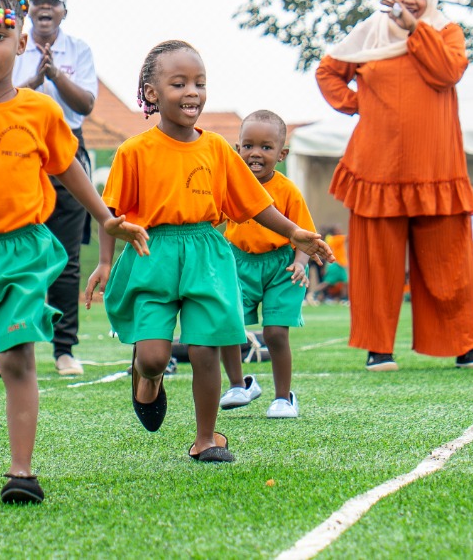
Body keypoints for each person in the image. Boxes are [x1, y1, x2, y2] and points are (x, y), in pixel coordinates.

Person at [0, 0, 147, 504]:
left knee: (18, 354)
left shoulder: (40, 112)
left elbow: (70, 171)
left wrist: (107, 219)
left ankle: (23, 471)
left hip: (21, 250)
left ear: (21, 42)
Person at [85, 40, 329, 465]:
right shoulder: (134, 151)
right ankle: (147, 379)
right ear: (151, 93)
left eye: (199, 82)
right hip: (152, 253)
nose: (192, 92)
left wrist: (295, 233)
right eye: (178, 83)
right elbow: (111, 213)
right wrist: (106, 262)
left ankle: (206, 439)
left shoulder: (217, 148)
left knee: (204, 349)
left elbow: (256, 205)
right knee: (154, 355)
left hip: (206, 254)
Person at [315, 0, 473, 371]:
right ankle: (379, 349)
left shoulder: (446, 31)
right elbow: (327, 72)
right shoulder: (369, 32)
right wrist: (359, 104)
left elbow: (448, 72)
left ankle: (464, 346)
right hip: (377, 166)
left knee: (449, 263)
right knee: (376, 265)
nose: (411, 0)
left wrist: (415, 28)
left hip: (437, 165)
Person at [13, 0, 99, 377]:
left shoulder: (78, 50)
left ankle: (64, 349)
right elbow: (5, 98)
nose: (44, 8)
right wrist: (34, 78)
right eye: (38, 3)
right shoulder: (15, 44)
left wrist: (56, 77)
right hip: (21, 149)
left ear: (64, 11)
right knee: (20, 253)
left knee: (65, 258)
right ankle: (14, 341)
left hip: (67, 147)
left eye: (53, 3)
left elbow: (86, 104)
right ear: (29, 12)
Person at [218, 110, 313, 419]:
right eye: (248, 146)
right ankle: (239, 384)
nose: (255, 153)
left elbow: (304, 234)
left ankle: (284, 398)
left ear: (281, 154)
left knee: (274, 333)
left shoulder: (287, 191)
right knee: (227, 325)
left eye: (266, 147)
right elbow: (210, 219)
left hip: (281, 266)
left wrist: (300, 262)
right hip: (238, 263)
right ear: (237, 150)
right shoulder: (229, 186)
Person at [319, 227, 349, 303]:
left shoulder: (331, 239)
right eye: (338, 230)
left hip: (338, 264)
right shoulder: (337, 239)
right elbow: (349, 237)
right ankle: (313, 294)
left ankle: (343, 299)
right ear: (334, 232)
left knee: (345, 282)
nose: (340, 231)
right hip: (337, 264)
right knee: (328, 282)